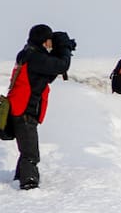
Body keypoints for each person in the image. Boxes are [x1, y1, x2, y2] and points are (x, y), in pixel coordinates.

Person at [9, 24, 74, 190]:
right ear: (45, 41)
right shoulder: (35, 57)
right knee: (31, 153)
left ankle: (19, 177)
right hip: (24, 111)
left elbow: (49, 74)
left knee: (27, 149)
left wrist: (62, 50)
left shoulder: (29, 54)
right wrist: (65, 48)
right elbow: (61, 66)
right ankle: (28, 183)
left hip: (21, 108)